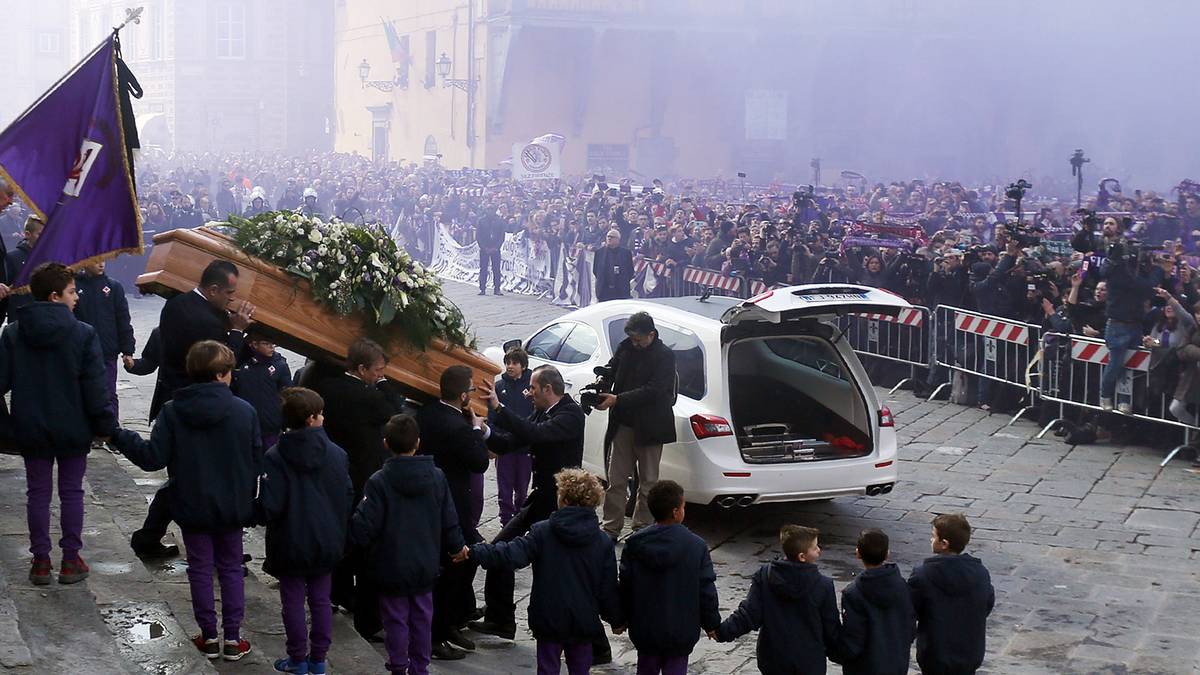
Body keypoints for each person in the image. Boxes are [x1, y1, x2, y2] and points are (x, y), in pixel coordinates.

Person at [112, 340, 262, 661]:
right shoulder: (244, 412)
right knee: (232, 568)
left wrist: (120, 434)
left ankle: (208, 635)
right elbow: (256, 459)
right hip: (233, 506)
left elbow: (152, 458)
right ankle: (233, 638)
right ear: (223, 374)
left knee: (199, 568)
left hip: (191, 504)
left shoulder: (173, 411)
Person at [130, 259, 255, 560]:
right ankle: (209, 547)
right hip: (196, 408)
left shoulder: (178, 303)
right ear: (212, 289)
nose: (232, 299)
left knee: (184, 479)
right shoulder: (208, 323)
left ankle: (149, 537)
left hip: (178, 401)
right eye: (229, 293)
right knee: (190, 481)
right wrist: (236, 331)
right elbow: (221, 365)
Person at [0, 262, 115, 585]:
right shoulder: (82, 333)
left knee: (37, 493)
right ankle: (69, 559)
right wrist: (105, 424)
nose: (76, 297)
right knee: (71, 492)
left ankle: (39, 560)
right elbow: (95, 387)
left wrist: (6, 425)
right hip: (73, 425)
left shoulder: (14, 333)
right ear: (54, 296)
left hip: (30, 425)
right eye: (71, 291)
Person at [472, 365, 591, 652]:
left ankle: (594, 643)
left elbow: (536, 434)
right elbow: (513, 440)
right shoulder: (542, 412)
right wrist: (483, 428)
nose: (528, 394)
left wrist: (499, 407)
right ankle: (500, 619)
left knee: (560, 571)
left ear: (548, 389)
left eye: (533, 389)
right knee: (501, 549)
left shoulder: (570, 415)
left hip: (559, 506)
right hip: (540, 499)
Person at [463, 469, 620, 675]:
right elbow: (607, 589)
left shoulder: (543, 532)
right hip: (583, 620)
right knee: (581, 667)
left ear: (562, 499)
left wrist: (474, 551)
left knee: (547, 668)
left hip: (549, 617)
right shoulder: (602, 542)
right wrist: (617, 620)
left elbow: (510, 554)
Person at [350, 414, 468, 675]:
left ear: (385, 443)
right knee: (422, 619)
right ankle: (420, 667)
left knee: (395, 620)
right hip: (425, 563)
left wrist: (356, 548)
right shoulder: (436, 477)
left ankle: (398, 665)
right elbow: (449, 518)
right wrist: (457, 546)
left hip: (390, 564)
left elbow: (364, 526)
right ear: (417, 443)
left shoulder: (379, 481)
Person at [306, 338, 407, 638]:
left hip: (336, 474)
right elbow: (396, 410)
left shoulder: (330, 387)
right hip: (363, 476)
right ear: (362, 369)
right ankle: (363, 612)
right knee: (364, 547)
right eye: (377, 370)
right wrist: (387, 383)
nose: (379, 375)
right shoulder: (369, 397)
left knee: (341, 537)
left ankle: (337, 593)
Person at [258, 388, 354, 675]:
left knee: (292, 603)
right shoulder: (337, 455)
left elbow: (269, 506)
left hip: (289, 541)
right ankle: (319, 659)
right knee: (322, 600)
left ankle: (297, 659)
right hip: (326, 540)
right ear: (312, 418)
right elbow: (347, 495)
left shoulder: (275, 456)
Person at [415, 365, 490, 659]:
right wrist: (475, 429)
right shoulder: (459, 427)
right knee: (457, 564)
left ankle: (451, 622)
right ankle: (439, 632)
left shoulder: (429, 413)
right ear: (462, 395)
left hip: (432, 501)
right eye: (471, 390)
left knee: (464, 560)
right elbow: (479, 463)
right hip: (452, 505)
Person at [617, 480, 720, 675]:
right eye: (683, 507)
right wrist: (712, 624)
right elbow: (705, 589)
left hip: (645, 630)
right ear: (675, 511)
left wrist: (619, 619)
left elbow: (626, 586)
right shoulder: (696, 546)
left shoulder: (635, 544)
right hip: (681, 631)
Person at [716, 525, 842, 675]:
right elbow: (831, 629)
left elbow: (749, 614)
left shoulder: (765, 576)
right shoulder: (824, 585)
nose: (819, 550)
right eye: (815, 548)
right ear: (802, 556)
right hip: (808, 662)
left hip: (773, 659)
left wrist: (721, 632)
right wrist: (845, 654)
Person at [595, 311, 677, 539]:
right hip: (623, 423)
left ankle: (642, 528)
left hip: (650, 427)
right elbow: (612, 367)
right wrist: (603, 381)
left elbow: (655, 390)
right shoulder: (626, 347)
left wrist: (618, 399)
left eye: (639, 340)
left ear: (651, 335)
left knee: (648, 482)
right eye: (632, 339)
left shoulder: (665, 356)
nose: (635, 343)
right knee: (616, 479)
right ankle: (611, 527)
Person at [909, 514, 994, 675]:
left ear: (944, 544)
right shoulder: (980, 573)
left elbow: (911, 609)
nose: (930, 539)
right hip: (970, 653)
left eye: (933, 536)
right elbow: (987, 604)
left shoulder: (923, 575)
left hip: (935, 653)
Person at [830, 529, 916, 675]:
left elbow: (853, 640)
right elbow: (910, 625)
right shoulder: (902, 585)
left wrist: (835, 652)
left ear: (858, 553)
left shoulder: (853, 593)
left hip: (865, 667)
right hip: (896, 663)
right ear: (887, 554)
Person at [73, 260, 135, 424]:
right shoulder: (73, 287)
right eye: (96, 260)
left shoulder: (113, 287)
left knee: (108, 392)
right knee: (83, 391)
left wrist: (127, 350)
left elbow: (123, 320)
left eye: (103, 260)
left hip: (107, 351)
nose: (101, 264)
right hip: (81, 351)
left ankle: (111, 430)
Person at [492, 347, 534, 525]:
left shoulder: (531, 386)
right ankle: (505, 518)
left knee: (522, 486)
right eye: (507, 363)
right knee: (504, 484)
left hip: (525, 446)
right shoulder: (499, 386)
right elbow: (492, 414)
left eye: (514, 363)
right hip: (505, 446)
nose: (510, 366)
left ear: (523, 366)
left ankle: (520, 516)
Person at [232, 328, 291, 449]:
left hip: (270, 427)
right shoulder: (242, 365)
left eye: (273, 344)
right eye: (266, 344)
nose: (271, 347)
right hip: (245, 424)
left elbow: (288, 395)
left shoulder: (281, 366)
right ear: (254, 344)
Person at [4, 213, 45, 322]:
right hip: (20, 318)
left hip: (45, 317)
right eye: (40, 234)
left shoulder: (49, 257)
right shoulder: (12, 257)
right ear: (27, 234)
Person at [593, 229, 635, 301]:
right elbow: (595, 270)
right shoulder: (599, 253)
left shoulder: (626, 253)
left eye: (612, 237)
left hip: (621, 290)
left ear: (618, 239)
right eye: (608, 236)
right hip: (604, 290)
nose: (609, 238)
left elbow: (630, 271)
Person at [477, 203, 507, 296]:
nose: (490, 211)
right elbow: (478, 236)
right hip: (484, 248)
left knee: (496, 269)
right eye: (488, 209)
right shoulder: (481, 221)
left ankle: (497, 288)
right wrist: (484, 247)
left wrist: (496, 247)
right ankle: (482, 288)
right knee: (483, 269)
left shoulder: (500, 221)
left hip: (495, 248)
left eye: (492, 209)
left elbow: (502, 236)